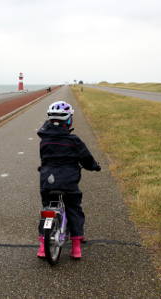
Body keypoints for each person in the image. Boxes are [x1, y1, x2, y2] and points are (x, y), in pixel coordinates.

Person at [36, 100, 101, 259]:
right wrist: (94, 166)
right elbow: (86, 158)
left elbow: (44, 159)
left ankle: (43, 248)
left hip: (48, 180)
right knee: (73, 209)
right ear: (69, 120)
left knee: (47, 210)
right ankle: (76, 247)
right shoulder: (74, 140)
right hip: (69, 181)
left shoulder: (44, 139)